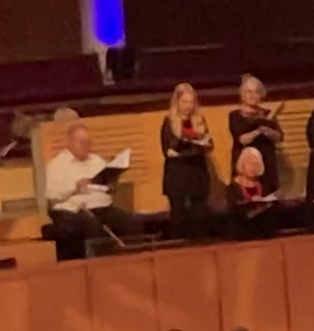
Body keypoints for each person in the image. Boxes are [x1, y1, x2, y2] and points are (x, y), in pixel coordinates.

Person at [43, 123, 141, 261]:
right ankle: (99, 266)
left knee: (130, 222)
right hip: (73, 211)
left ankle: (133, 262)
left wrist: (112, 182)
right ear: (69, 142)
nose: (86, 146)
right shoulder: (57, 165)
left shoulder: (97, 161)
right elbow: (52, 195)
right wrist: (75, 188)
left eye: (88, 143)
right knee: (92, 226)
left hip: (102, 208)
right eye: (81, 142)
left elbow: (108, 189)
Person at [159, 83, 214, 241]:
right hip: (178, 172)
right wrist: (190, 146)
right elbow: (168, 150)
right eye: (184, 102)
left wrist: (194, 146)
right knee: (179, 213)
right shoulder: (169, 121)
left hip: (197, 169)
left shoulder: (199, 121)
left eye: (191, 102)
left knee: (200, 212)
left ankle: (200, 242)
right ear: (177, 102)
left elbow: (209, 145)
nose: (188, 106)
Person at [229, 74, 284, 195]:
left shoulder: (267, 114)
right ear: (242, 94)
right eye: (249, 92)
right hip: (246, 164)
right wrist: (259, 130)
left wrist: (267, 130)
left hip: (266, 162)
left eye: (256, 92)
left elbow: (279, 137)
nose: (252, 95)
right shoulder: (235, 116)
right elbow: (242, 139)